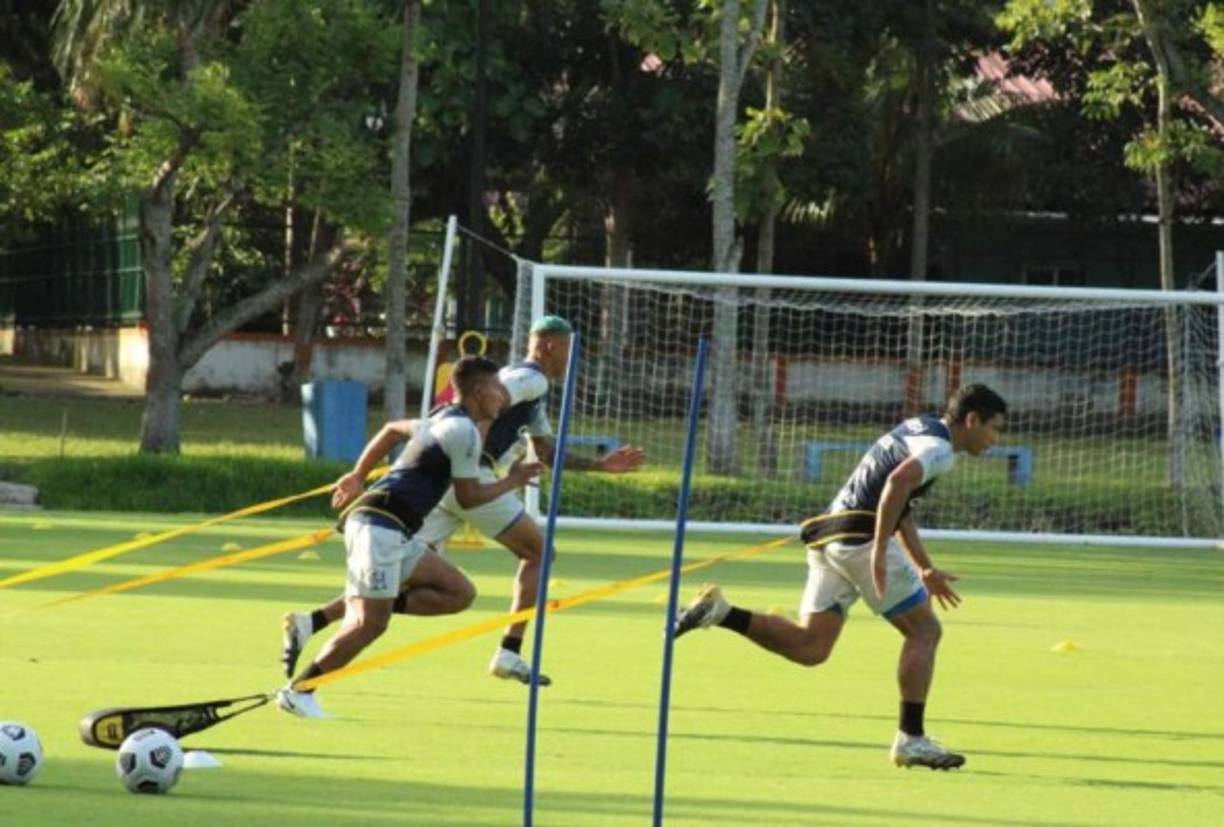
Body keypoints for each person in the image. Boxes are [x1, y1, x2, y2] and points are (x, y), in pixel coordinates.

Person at [280, 316, 646, 687]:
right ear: (550, 345)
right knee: (539, 553)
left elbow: (547, 452)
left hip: (445, 485)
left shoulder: (533, 392)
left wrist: (600, 465)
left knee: (403, 572)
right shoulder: (529, 378)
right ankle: (509, 650)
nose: (573, 360)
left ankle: (313, 621)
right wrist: (475, 454)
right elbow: (484, 405)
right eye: (569, 350)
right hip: (471, 479)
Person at [674, 384, 1008, 770]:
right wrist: (880, 551)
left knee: (811, 647)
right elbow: (898, 483)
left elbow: (900, 505)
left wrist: (924, 567)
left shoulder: (920, 427)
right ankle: (911, 739)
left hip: (830, 535)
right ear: (972, 420)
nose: (995, 440)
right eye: (994, 429)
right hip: (860, 540)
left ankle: (721, 612)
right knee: (925, 631)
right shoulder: (940, 450)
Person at [276, 356, 540, 719]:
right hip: (379, 525)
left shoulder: (442, 419)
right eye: (498, 389)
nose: (503, 397)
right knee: (370, 624)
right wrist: (513, 480)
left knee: (459, 593)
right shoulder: (462, 431)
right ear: (479, 391)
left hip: (394, 530)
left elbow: (391, 430)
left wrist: (358, 475)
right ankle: (299, 692)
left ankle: (340, 615)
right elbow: (468, 497)